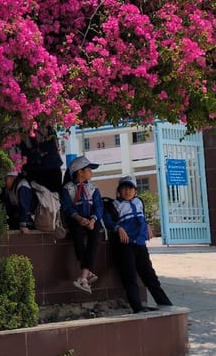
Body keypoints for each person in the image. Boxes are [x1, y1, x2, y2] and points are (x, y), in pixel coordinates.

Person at [104, 175, 173, 313]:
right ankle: (137, 308)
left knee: (150, 277)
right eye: (123, 188)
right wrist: (118, 228)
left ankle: (167, 307)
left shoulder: (139, 202)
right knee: (130, 278)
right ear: (119, 191)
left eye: (130, 188)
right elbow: (107, 221)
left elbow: (142, 217)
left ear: (135, 190)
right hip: (126, 245)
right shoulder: (114, 205)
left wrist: (146, 225)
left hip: (140, 245)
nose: (127, 191)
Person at [61, 155, 103, 295]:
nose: (91, 172)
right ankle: (86, 274)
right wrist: (79, 218)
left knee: (94, 239)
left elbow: (99, 207)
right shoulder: (68, 188)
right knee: (77, 236)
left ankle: (83, 276)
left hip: (92, 220)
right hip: (76, 219)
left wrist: (93, 219)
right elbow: (67, 208)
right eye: (89, 169)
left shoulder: (93, 188)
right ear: (80, 172)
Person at [19, 126, 63, 193]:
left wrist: (37, 152)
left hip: (51, 169)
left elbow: (53, 145)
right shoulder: (21, 129)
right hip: (34, 172)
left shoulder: (47, 127)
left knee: (55, 198)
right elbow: (24, 155)